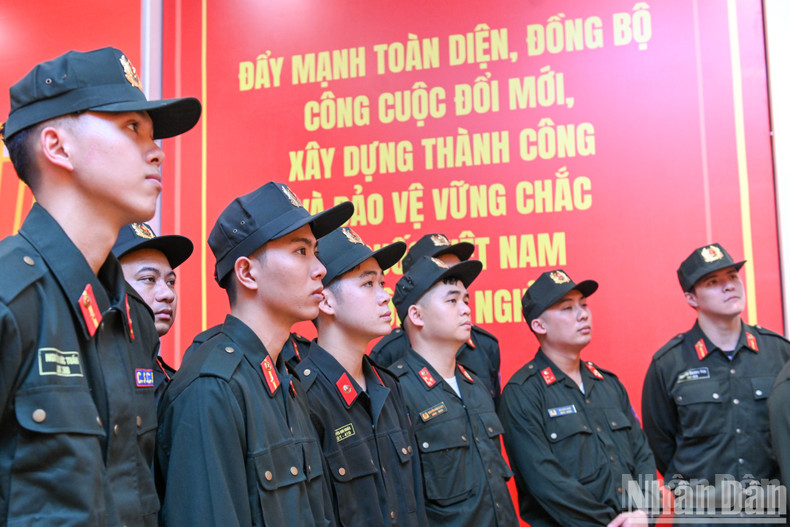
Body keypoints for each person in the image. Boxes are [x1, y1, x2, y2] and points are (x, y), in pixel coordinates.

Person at [0, 47, 200, 526]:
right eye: (132, 128)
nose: (157, 150)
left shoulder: (133, 319)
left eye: (153, 134)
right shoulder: (11, 298)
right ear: (57, 146)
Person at [156, 182, 353, 526]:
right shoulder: (212, 388)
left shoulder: (286, 379)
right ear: (247, 272)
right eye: (300, 251)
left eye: (316, 252)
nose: (320, 268)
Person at [499, 270, 655, 526]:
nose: (583, 314)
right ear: (539, 325)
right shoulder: (522, 393)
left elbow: (643, 456)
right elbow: (545, 482)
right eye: (567, 308)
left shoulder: (608, 384)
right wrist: (610, 524)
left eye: (584, 305)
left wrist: (643, 513)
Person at [295, 226, 428, 526]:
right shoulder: (303, 395)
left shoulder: (389, 386)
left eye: (382, 283)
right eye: (368, 284)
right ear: (325, 301)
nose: (385, 297)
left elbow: (416, 505)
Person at [642, 244, 790, 495]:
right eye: (713, 282)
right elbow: (661, 446)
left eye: (733, 276)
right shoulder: (669, 363)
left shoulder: (779, 352)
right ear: (691, 298)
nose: (729, 286)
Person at [389, 255, 518, 526]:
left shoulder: (476, 386)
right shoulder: (396, 392)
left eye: (466, 301)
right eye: (452, 300)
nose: (466, 310)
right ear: (416, 314)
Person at [370, 234, 502, 406]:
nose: (453, 279)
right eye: (439, 269)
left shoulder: (485, 345)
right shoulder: (389, 353)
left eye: (457, 270)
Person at [112, 222, 194, 400]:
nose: (167, 294)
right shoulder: (85, 373)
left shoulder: (175, 384)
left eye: (170, 282)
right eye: (149, 279)